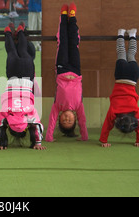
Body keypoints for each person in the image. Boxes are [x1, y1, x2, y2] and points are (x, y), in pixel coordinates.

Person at [0, 22, 45, 151]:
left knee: (22, 50)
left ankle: (21, 32)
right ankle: (8, 33)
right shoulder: (7, 114)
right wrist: (0, 141)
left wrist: (38, 142)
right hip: (13, 77)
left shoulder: (29, 115)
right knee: (12, 51)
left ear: (26, 127)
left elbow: (38, 125)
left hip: (27, 77)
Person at [46, 3, 88, 142]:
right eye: (70, 121)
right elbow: (83, 121)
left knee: (63, 42)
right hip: (76, 71)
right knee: (74, 42)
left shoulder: (58, 106)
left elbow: (51, 120)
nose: (67, 118)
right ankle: (72, 17)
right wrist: (84, 136)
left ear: (60, 118)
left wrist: (49, 137)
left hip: (62, 69)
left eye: (64, 121)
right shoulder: (78, 106)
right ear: (74, 118)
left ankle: (63, 16)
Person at [99, 28, 139, 148]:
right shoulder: (114, 112)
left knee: (131, 54)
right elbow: (106, 125)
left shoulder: (135, 112)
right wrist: (103, 140)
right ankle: (120, 33)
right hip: (120, 75)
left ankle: (132, 35)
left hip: (133, 76)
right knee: (121, 53)